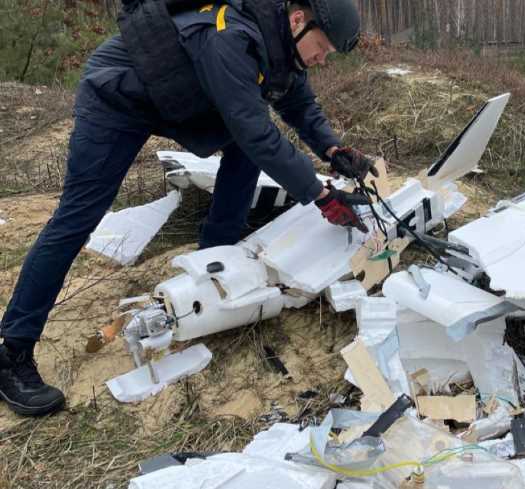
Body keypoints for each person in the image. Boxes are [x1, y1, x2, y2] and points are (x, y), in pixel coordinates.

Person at [0, 0, 378, 416]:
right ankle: (12, 352)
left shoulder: (281, 45)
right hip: (119, 94)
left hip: (177, 99)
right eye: (322, 47)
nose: (322, 59)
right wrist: (320, 195)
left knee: (245, 148)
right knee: (77, 219)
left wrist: (333, 148)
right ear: (297, 21)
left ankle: (211, 265)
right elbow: (254, 129)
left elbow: (299, 104)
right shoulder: (232, 36)